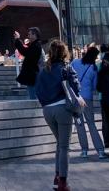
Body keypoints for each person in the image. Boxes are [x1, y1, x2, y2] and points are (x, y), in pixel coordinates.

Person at [33, 38, 80, 191]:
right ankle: (62, 182)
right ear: (64, 53)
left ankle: (57, 177)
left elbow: (38, 91)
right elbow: (76, 87)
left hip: (47, 110)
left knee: (60, 143)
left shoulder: (43, 70)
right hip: (62, 108)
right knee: (64, 146)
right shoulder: (66, 68)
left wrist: (46, 103)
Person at [69, 46, 105, 157]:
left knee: (79, 124)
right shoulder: (93, 68)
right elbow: (94, 86)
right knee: (91, 123)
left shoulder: (75, 62)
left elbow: (69, 77)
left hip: (75, 97)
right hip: (87, 98)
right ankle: (100, 150)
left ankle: (84, 150)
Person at [13, 27, 43, 100]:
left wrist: (18, 39)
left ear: (34, 35)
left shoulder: (36, 45)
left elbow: (25, 52)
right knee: (32, 95)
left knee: (33, 97)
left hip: (33, 75)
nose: (28, 36)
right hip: (32, 74)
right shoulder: (34, 45)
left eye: (29, 34)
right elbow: (25, 51)